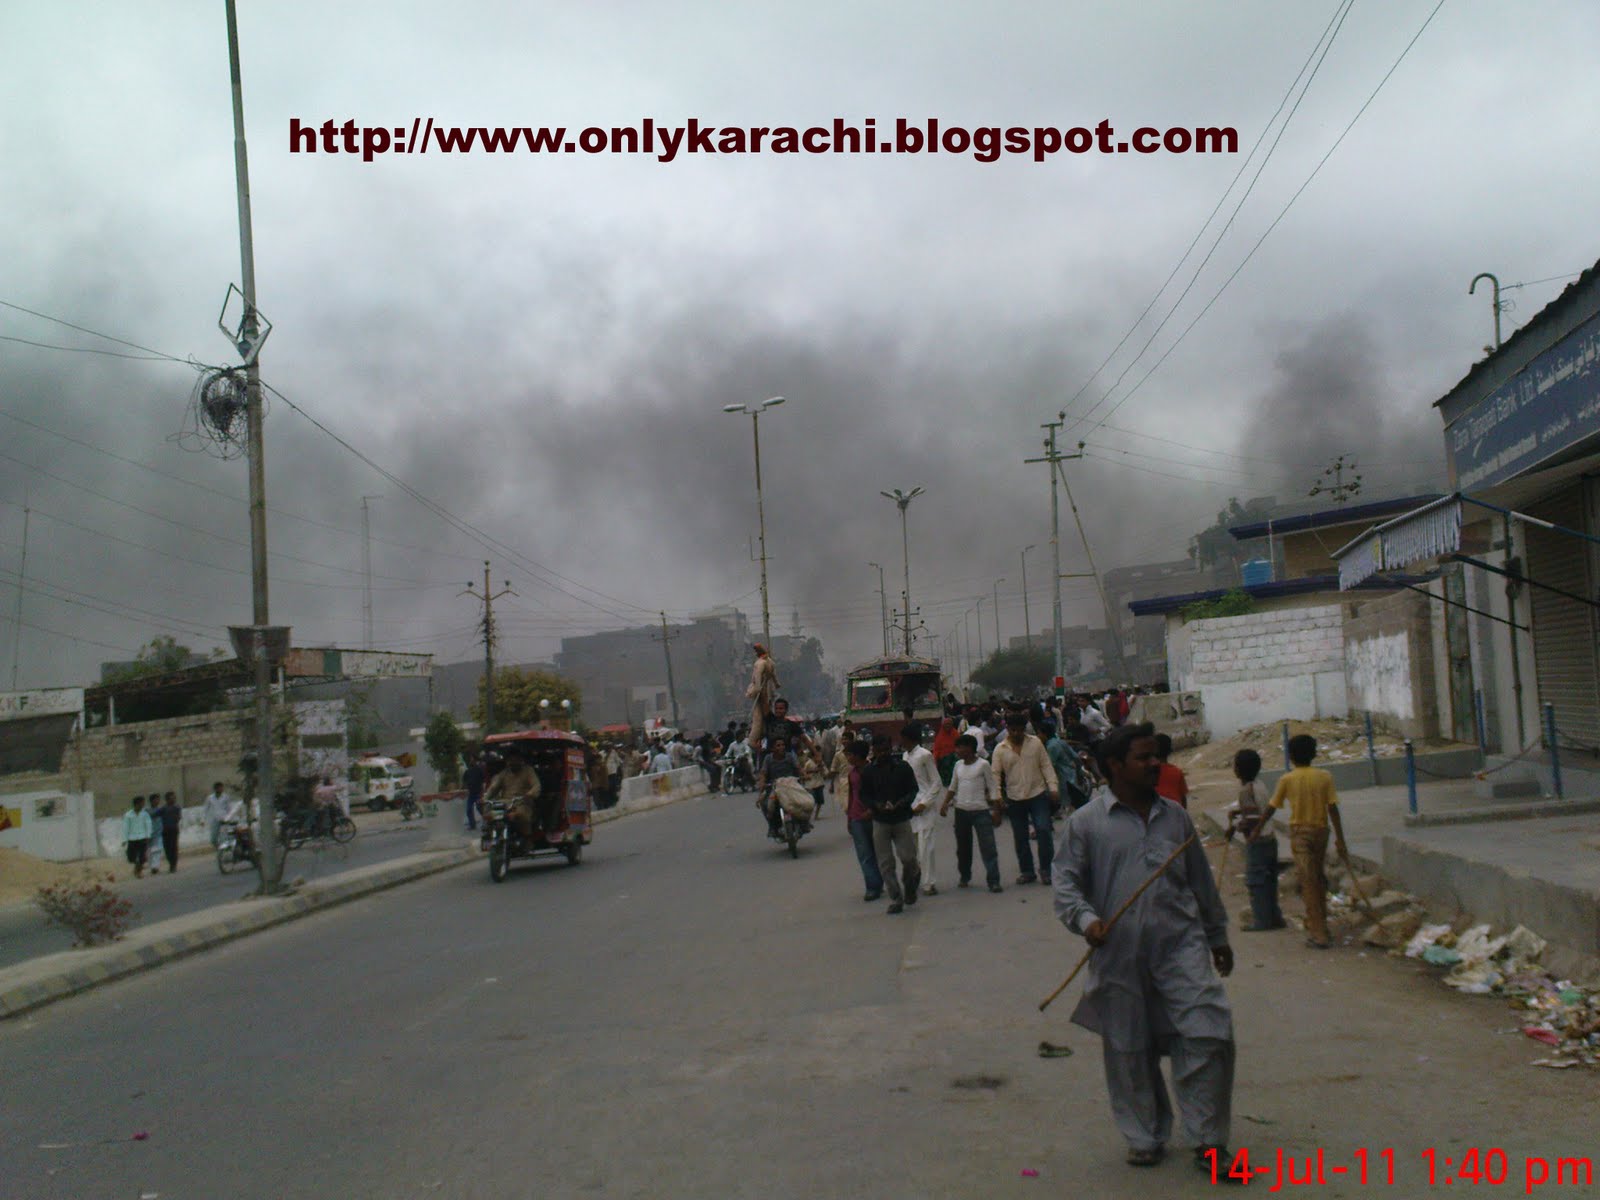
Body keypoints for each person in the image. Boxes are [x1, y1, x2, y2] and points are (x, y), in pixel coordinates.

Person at [1053, 722, 1236, 1174]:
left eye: (1156, 755)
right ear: (1115, 766)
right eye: (1143, 757)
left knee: (1209, 1033)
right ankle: (1144, 1135)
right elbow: (1066, 885)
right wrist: (1086, 920)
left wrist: (1216, 936)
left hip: (1181, 948)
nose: (1156, 763)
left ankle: (1209, 1140)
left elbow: (1200, 883)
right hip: (1118, 954)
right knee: (1129, 1048)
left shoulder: (1176, 817)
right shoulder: (1086, 823)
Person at [1245, 733, 1347, 949]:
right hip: (1321, 831)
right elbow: (1333, 809)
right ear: (1314, 753)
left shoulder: (1287, 779)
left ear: (1291, 756)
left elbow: (1271, 808)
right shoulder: (1324, 776)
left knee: (1308, 882)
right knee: (1317, 878)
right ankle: (1319, 926)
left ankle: (1319, 934)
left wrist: (1256, 830)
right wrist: (1340, 839)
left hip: (1300, 834)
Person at [991, 711, 1059, 885]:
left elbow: (1046, 766)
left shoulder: (1035, 743)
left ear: (1024, 729)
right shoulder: (1000, 749)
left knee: (1043, 830)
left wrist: (1053, 788)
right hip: (1014, 798)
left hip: (1037, 794)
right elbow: (995, 775)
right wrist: (997, 797)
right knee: (1020, 836)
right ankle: (1027, 871)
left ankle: (1046, 869)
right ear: (1007, 729)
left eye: (1019, 730)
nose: (1016, 734)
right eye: (1013, 730)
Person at [859, 734, 920, 914]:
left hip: (901, 818)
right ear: (874, 751)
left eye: (886, 750)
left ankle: (910, 886)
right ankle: (896, 898)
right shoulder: (869, 772)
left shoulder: (903, 767)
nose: (884, 753)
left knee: (909, 859)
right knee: (886, 863)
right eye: (879, 751)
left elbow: (913, 789)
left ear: (891, 748)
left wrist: (901, 803)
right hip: (880, 821)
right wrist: (876, 805)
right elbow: (864, 795)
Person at [1227, 749, 1284, 932]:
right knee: (1270, 880)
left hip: (1257, 840)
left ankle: (1261, 921)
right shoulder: (1260, 785)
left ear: (1238, 770)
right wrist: (1237, 813)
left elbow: (1251, 820)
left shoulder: (1245, 791)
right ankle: (1275, 917)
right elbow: (1260, 810)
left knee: (1256, 882)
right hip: (1270, 838)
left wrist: (1234, 827)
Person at [940, 733, 1002, 892]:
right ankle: (965, 875)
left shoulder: (983, 765)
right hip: (961, 811)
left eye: (960, 747)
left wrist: (996, 810)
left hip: (980, 811)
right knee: (963, 848)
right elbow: (953, 787)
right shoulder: (958, 765)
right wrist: (945, 803)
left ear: (969, 748)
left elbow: (992, 787)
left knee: (988, 847)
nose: (957, 750)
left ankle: (993, 880)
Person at [901, 723, 944, 896]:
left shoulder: (925, 755)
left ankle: (929, 883)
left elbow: (936, 782)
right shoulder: (905, 756)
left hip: (924, 806)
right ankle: (916, 878)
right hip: (910, 806)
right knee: (912, 848)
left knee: (927, 846)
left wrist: (925, 803)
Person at [482, 749, 544, 838]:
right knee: (489, 815)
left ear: (520, 760)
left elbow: (536, 786)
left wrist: (530, 794)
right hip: (504, 804)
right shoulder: (504, 773)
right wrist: (485, 798)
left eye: (515, 760)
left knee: (522, 816)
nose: (512, 763)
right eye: (510, 760)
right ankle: (491, 837)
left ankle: (526, 840)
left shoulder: (528, 771)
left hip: (521, 802)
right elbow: (493, 788)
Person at [1043, 720, 1092, 812]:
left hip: (1062, 779)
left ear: (1044, 734)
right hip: (1071, 776)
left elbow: (1050, 766)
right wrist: (1079, 771)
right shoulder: (1060, 742)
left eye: (1039, 733)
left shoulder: (1051, 747)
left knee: (1069, 806)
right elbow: (1076, 757)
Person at [746, 643, 780, 744]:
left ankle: (753, 740)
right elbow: (773, 676)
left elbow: (758, 677)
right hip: (765, 688)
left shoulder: (760, 663)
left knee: (759, 716)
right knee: (761, 713)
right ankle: (757, 739)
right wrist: (776, 683)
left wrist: (757, 689)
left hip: (762, 689)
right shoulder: (769, 662)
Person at [1153, 733, 1190, 809]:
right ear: (1170, 751)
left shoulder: (1147, 773)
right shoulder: (1177, 772)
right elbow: (1183, 800)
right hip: (1175, 814)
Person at [123, 796, 153, 879]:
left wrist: (148, 835)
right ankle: (137, 866)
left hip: (142, 837)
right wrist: (124, 839)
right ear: (137, 804)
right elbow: (126, 827)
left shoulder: (145, 814)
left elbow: (148, 824)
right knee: (131, 857)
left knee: (142, 857)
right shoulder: (128, 815)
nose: (143, 805)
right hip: (132, 838)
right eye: (142, 803)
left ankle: (138, 871)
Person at [156, 791, 183, 873]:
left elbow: (178, 817)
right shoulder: (164, 808)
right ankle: (171, 863)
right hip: (165, 830)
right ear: (167, 799)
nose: (174, 799)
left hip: (173, 830)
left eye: (174, 797)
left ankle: (173, 865)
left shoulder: (176, 807)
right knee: (167, 848)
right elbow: (155, 814)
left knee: (173, 847)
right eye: (172, 798)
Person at [202, 781, 233, 848]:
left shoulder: (226, 797)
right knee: (213, 839)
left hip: (224, 819)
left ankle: (223, 851)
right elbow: (205, 809)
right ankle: (218, 848)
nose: (221, 789)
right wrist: (203, 820)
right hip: (215, 820)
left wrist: (229, 818)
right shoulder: (210, 798)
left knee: (224, 837)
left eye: (222, 788)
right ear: (215, 789)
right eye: (219, 788)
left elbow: (229, 808)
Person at [463, 753, 486, 830]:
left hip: (478, 793)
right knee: (469, 809)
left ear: (475, 761)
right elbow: (465, 781)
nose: (471, 761)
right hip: (471, 793)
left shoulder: (479, 770)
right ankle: (472, 824)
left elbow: (483, 781)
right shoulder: (468, 771)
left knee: (481, 809)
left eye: (472, 759)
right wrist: (466, 790)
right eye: (470, 759)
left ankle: (486, 822)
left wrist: (482, 792)